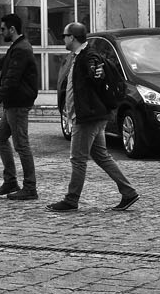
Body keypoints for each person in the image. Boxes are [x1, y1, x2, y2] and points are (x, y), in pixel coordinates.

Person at [50, 23, 139, 212]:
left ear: (72, 37)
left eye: (64, 35)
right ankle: (128, 191)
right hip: (93, 115)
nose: (63, 39)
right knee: (101, 155)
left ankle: (71, 199)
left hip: (88, 117)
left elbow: (96, 75)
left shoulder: (88, 56)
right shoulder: (79, 56)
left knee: (78, 159)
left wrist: (97, 73)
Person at [0, 13, 40, 200]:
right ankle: (11, 181)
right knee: (0, 137)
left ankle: (30, 187)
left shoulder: (21, 49)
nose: (1, 31)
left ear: (12, 29)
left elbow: (11, 80)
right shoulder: (16, 47)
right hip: (14, 103)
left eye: (3, 29)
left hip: (18, 104)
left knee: (22, 145)